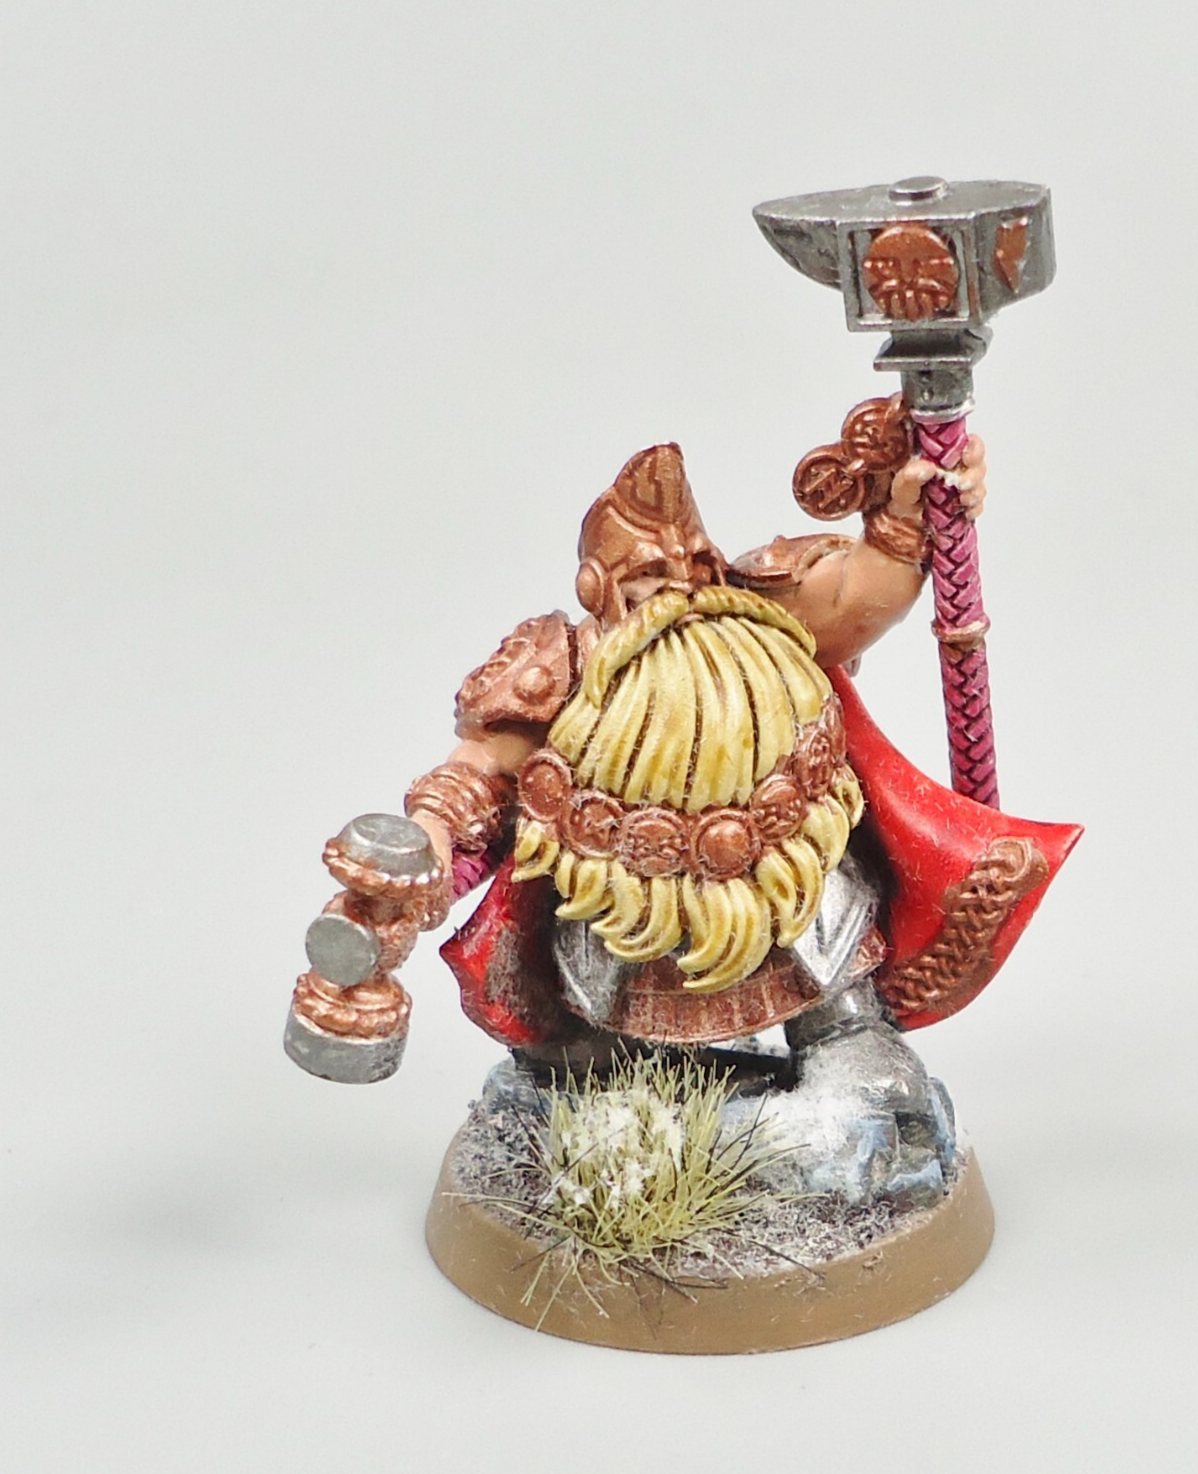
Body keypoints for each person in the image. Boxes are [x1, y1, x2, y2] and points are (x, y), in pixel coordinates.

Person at [289, 409, 1075, 1206]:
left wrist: (906, 515)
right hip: (618, 920)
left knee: (853, 1053)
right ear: (599, 588)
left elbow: (858, 594)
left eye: (691, 563)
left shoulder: (756, 616)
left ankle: (840, 1083)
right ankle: (620, 1108)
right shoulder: (564, 662)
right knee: (589, 1078)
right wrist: (427, 839)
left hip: (796, 899)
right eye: (647, 577)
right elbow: (478, 773)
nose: (678, 586)